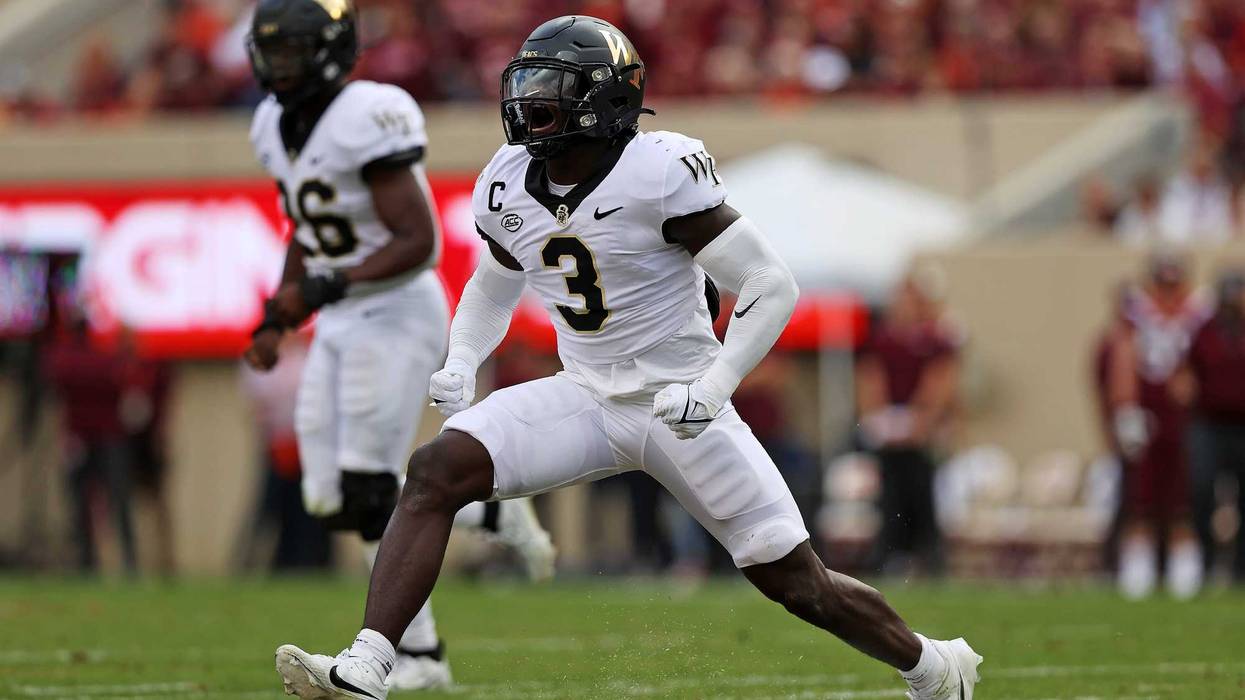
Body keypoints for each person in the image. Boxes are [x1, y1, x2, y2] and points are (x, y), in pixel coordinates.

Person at [273, 16, 982, 700]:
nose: (530, 104)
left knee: (799, 585)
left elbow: (769, 285)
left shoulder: (660, 170)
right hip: (583, 394)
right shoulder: (507, 178)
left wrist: (713, 385)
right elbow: (494, 282)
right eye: (527, 86)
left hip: (679, 408)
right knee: (434, 471)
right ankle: (370, 665)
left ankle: (932, 669)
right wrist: (461, 358)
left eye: (551, 88)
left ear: (602, 97)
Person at [241, 0, 554, 690]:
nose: (280, 66)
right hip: (343, 314)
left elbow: (419, 243)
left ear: (328, 50)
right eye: (273, 52)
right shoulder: (271, 123)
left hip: (395, 308)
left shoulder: (366, 115)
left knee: (367, 488)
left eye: (293, 51)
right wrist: (275, 319)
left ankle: (418, 657)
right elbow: (307, 225)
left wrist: (316, 293)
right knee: (329, 498)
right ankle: (488, 507)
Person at [1107, 252, 1208, 599]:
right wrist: (1126, 408)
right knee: (1142, 495)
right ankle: (1139, 568)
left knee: (1184, 495)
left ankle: (1185, 569)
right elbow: (1123, 358)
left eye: (1173, 284)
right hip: (1148, 410)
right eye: (1162, 284)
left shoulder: (1199, 313)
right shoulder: (1137, 315)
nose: (1167, 294)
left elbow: (1203, 361)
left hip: (1186, 414)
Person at [856, 270, 961, 576]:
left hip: (922, 430)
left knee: (923, 490)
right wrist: (878, 416)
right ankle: (890, 552)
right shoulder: (881, 339)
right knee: (890, 493)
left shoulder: (935, 339)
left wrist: (922, 419)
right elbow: (869, 377)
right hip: (891, 426)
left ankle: (928, 554)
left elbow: (941, 382)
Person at [1183, 269, 1245, 582]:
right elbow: (1185, 372)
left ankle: (1240, 569)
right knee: (1202, 490)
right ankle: (1207, 563)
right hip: (1209, 424)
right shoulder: (1205, 331)